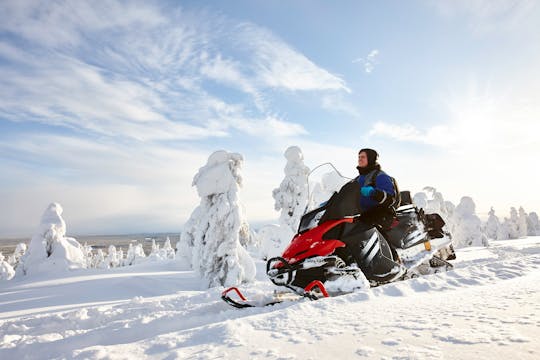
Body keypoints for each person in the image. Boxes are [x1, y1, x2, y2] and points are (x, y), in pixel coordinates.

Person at [356, 148, 397, 228]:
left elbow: (390, 199)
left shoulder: (380, 176)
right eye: (359, 157)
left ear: (371, 159)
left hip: (377, 217)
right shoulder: (357, 179)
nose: (360, 159)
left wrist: (373, 192)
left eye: (363, 157)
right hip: (360, 215)